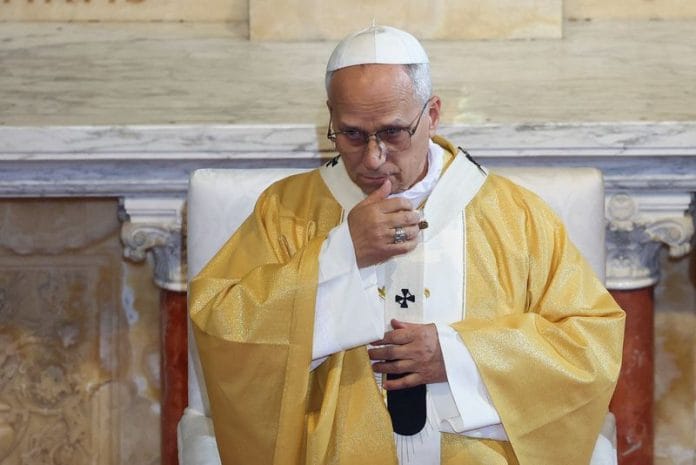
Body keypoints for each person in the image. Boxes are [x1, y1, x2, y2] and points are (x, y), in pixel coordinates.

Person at [189, 25, 625, 465]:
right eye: (352, 134)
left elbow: (590, 346)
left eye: (393, 132)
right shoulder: (287, 210)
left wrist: (457, 357)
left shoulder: (515, 216)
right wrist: (340, 254)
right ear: (331, 118)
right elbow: (224, 329)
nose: (373, 158)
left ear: (432, 114)